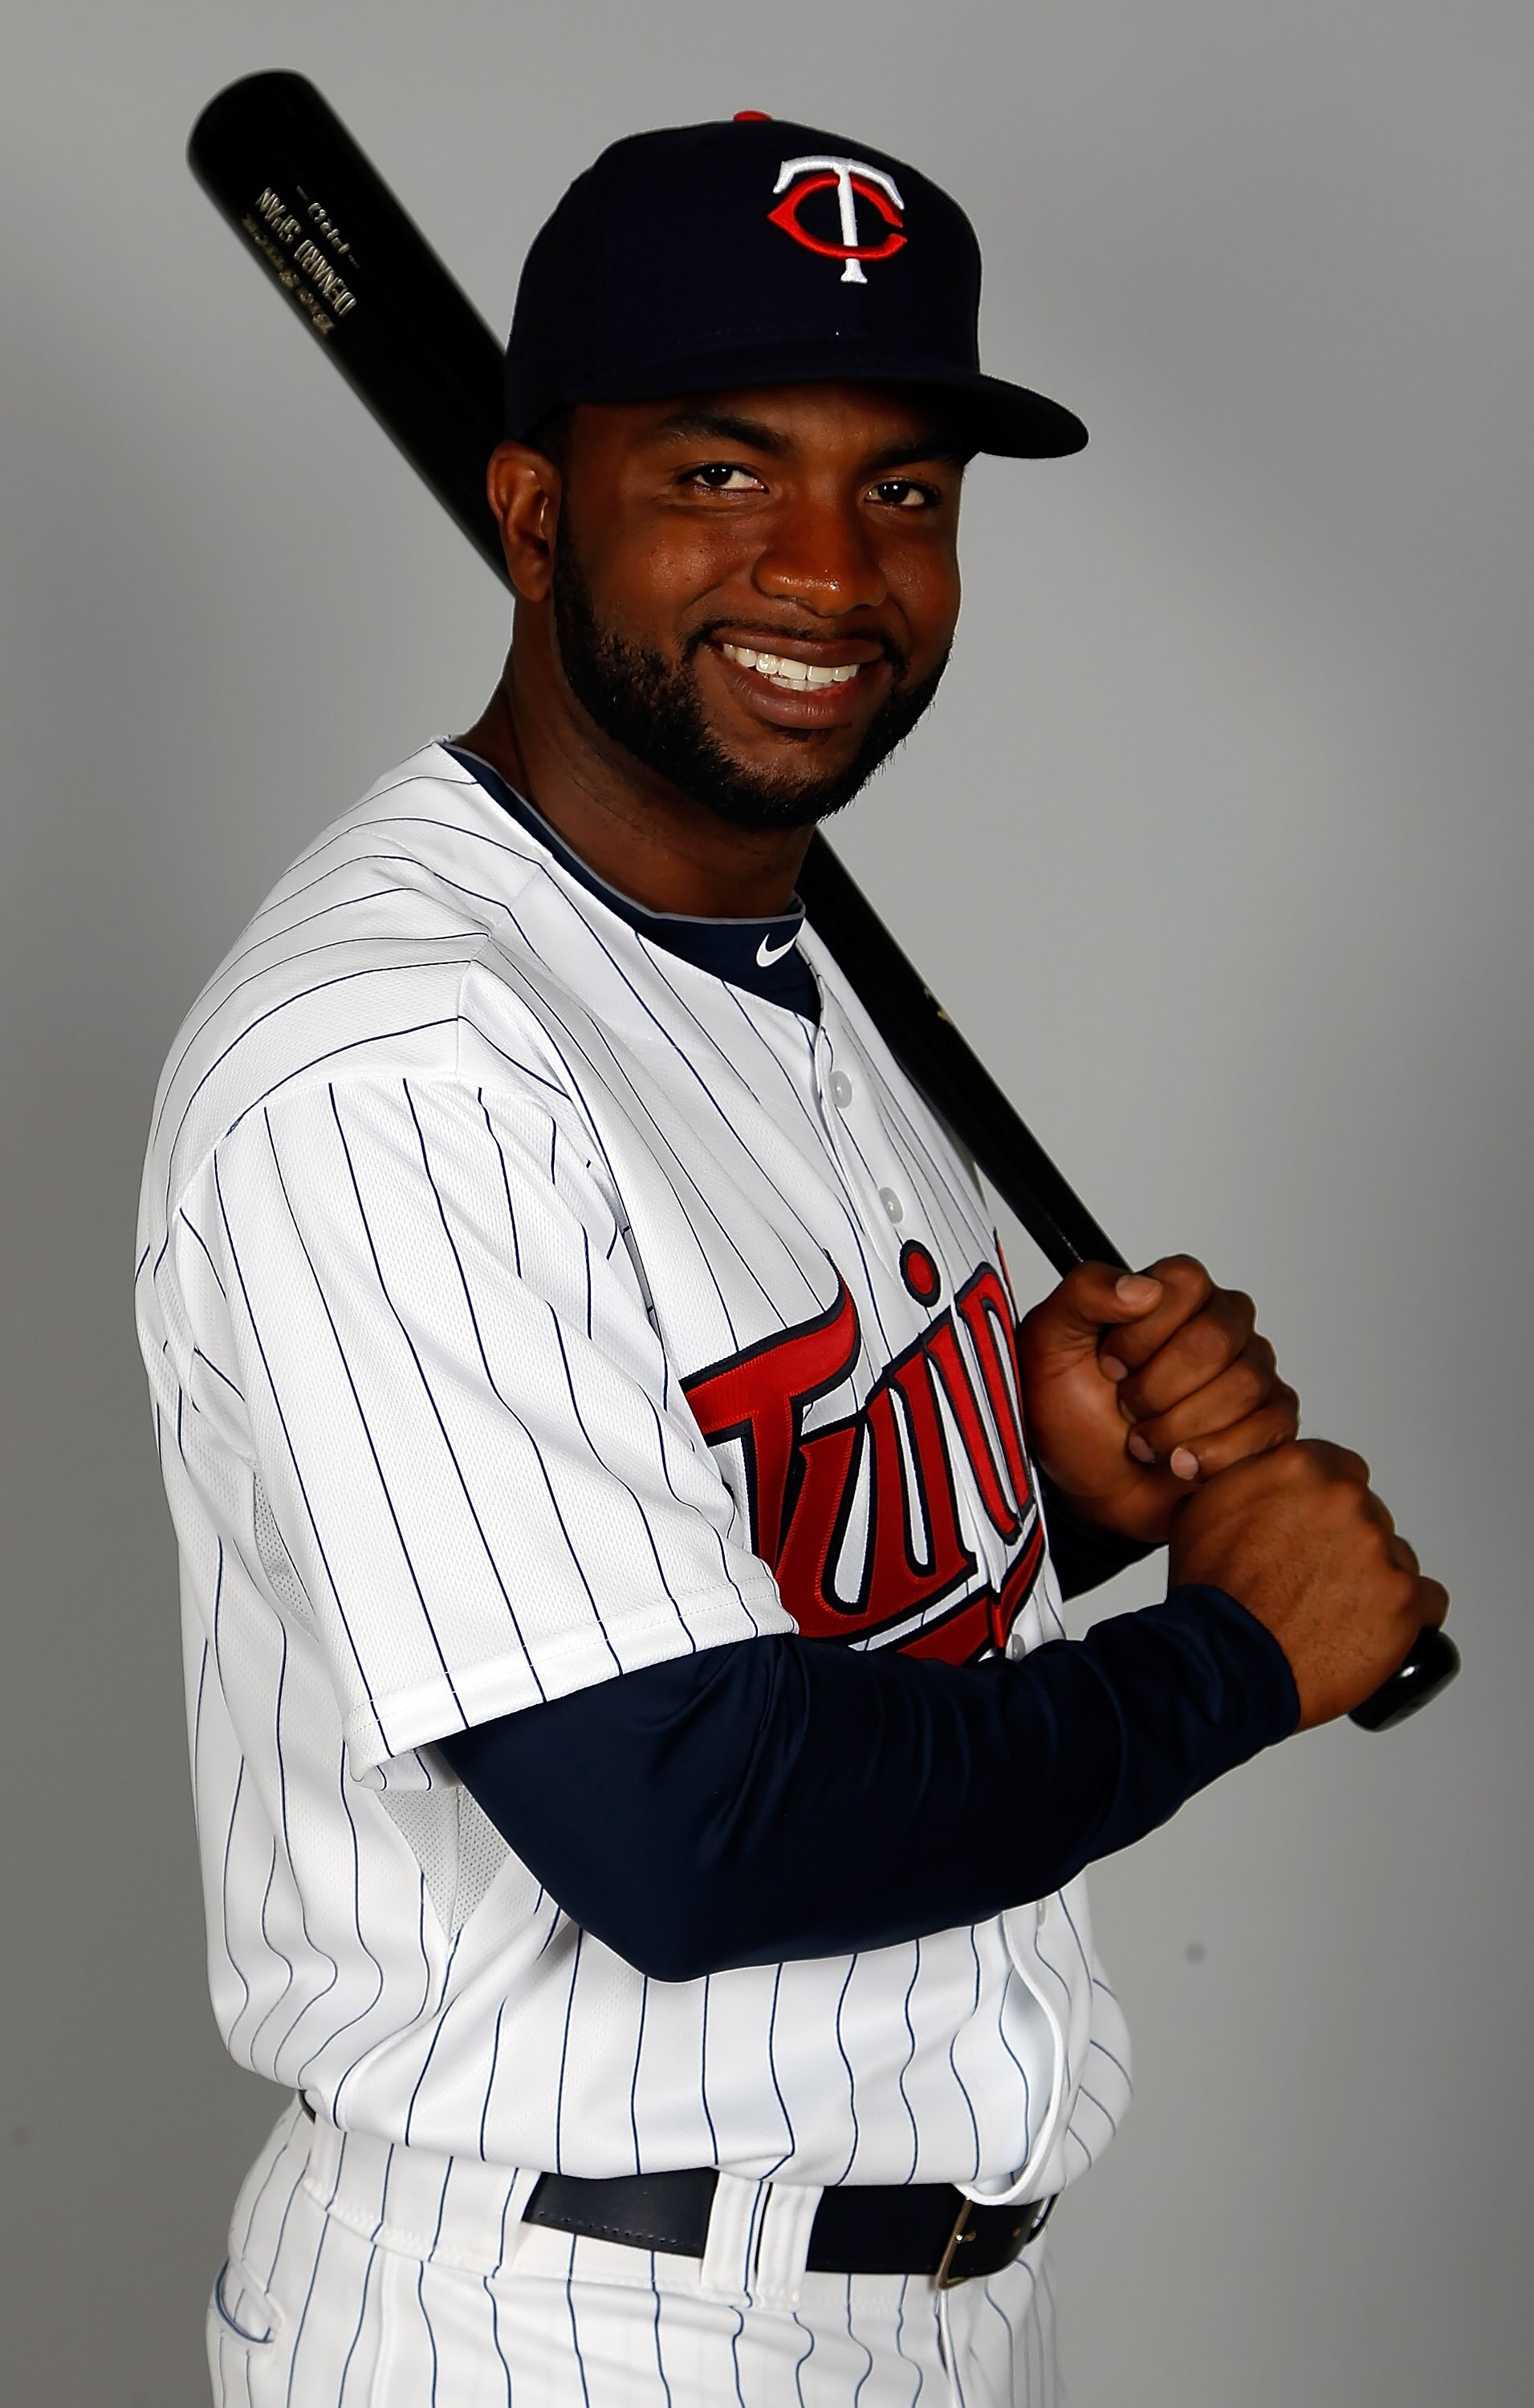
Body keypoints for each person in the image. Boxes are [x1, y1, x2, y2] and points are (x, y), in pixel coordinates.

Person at [136, 112, 1446, 2407]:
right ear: (534, 509)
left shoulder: (762, 946)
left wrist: (1039, 1488)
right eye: (726, 473)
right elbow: (687, 1819)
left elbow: (706, 1589)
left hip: (873, 2313)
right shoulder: (398, 1057)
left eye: (905, 488)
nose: (832, 568)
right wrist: (1239, 1658)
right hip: (556, 2326)